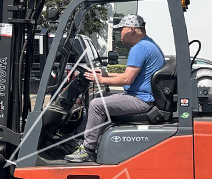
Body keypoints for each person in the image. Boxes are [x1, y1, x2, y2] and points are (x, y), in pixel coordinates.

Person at [64, 14, 165, 163]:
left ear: (131, 29)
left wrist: (101, 79)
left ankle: (88, 149)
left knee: (97, 105)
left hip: (141, 100)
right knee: (99, 98)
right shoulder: (148, 45)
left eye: (121, 29)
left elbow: (126, 79)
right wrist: (105, 74)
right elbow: (130, 74)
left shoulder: (140, 48)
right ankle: (80, 138)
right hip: (142, 97)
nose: (119, 34)